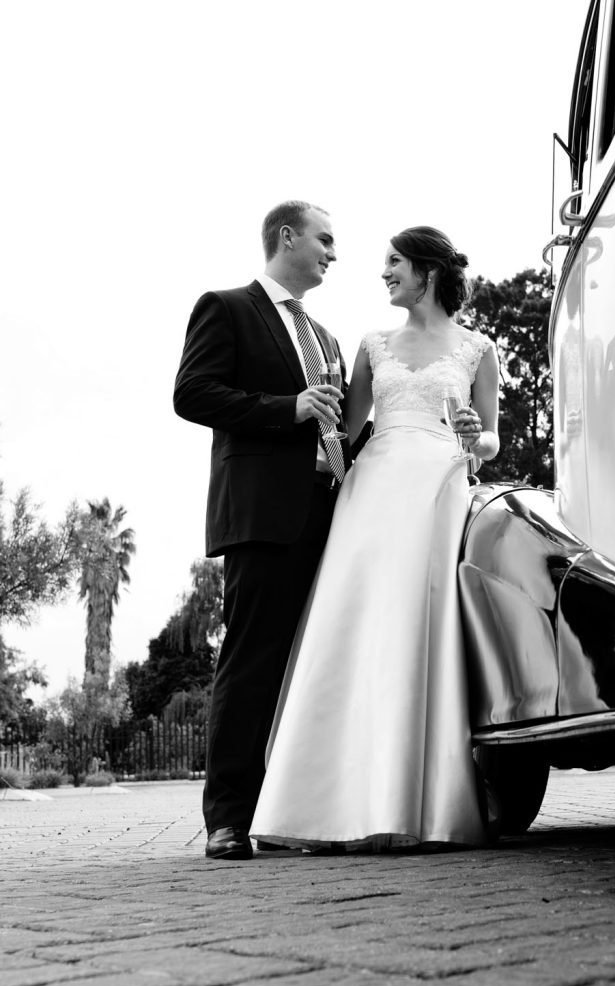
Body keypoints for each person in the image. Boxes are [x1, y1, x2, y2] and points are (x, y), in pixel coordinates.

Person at [250, 225, 500, 853]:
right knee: (354, 629)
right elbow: (347, 429)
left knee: (420, 631)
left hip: (439, 490)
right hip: (372, 493)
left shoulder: (478, 349)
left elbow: (490, 442)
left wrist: (473, 436)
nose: (383, 273)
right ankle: (321, 806)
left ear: (428, 271)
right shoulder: (372, 344)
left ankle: (414, 802)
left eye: (393, 263)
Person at [173, 200, 349, 861]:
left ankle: (295, 812)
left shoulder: (328, 339)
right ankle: (228, 819)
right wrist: (290, 406)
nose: (334, 252)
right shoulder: (226, 307)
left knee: (313, 670)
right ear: (287, 237)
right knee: (252, 666)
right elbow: (192, 394)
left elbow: (336, 428)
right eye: (324, 239)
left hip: (330, 517)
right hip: (262, 517)